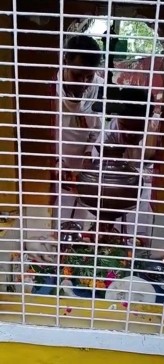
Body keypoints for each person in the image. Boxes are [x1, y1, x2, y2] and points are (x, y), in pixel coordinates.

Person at [90, 87, 159, 247]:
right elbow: (104, 184)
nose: (129, 134)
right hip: (118, 194)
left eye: (136, 129)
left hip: (147, 196)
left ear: (148, 120)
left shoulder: (158, 132)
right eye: (124, 126)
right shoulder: (107, 136)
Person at [52, 35, 103, 230]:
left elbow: (96, 129)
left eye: (89, 76)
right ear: (65, 61)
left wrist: (88, 157)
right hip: (51, 165)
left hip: (81, 166)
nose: (83, 82)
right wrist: (56, 162)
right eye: (78, 74)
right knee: (54, 220)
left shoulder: (98, 87)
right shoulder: (50, 89)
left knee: (78, 223)